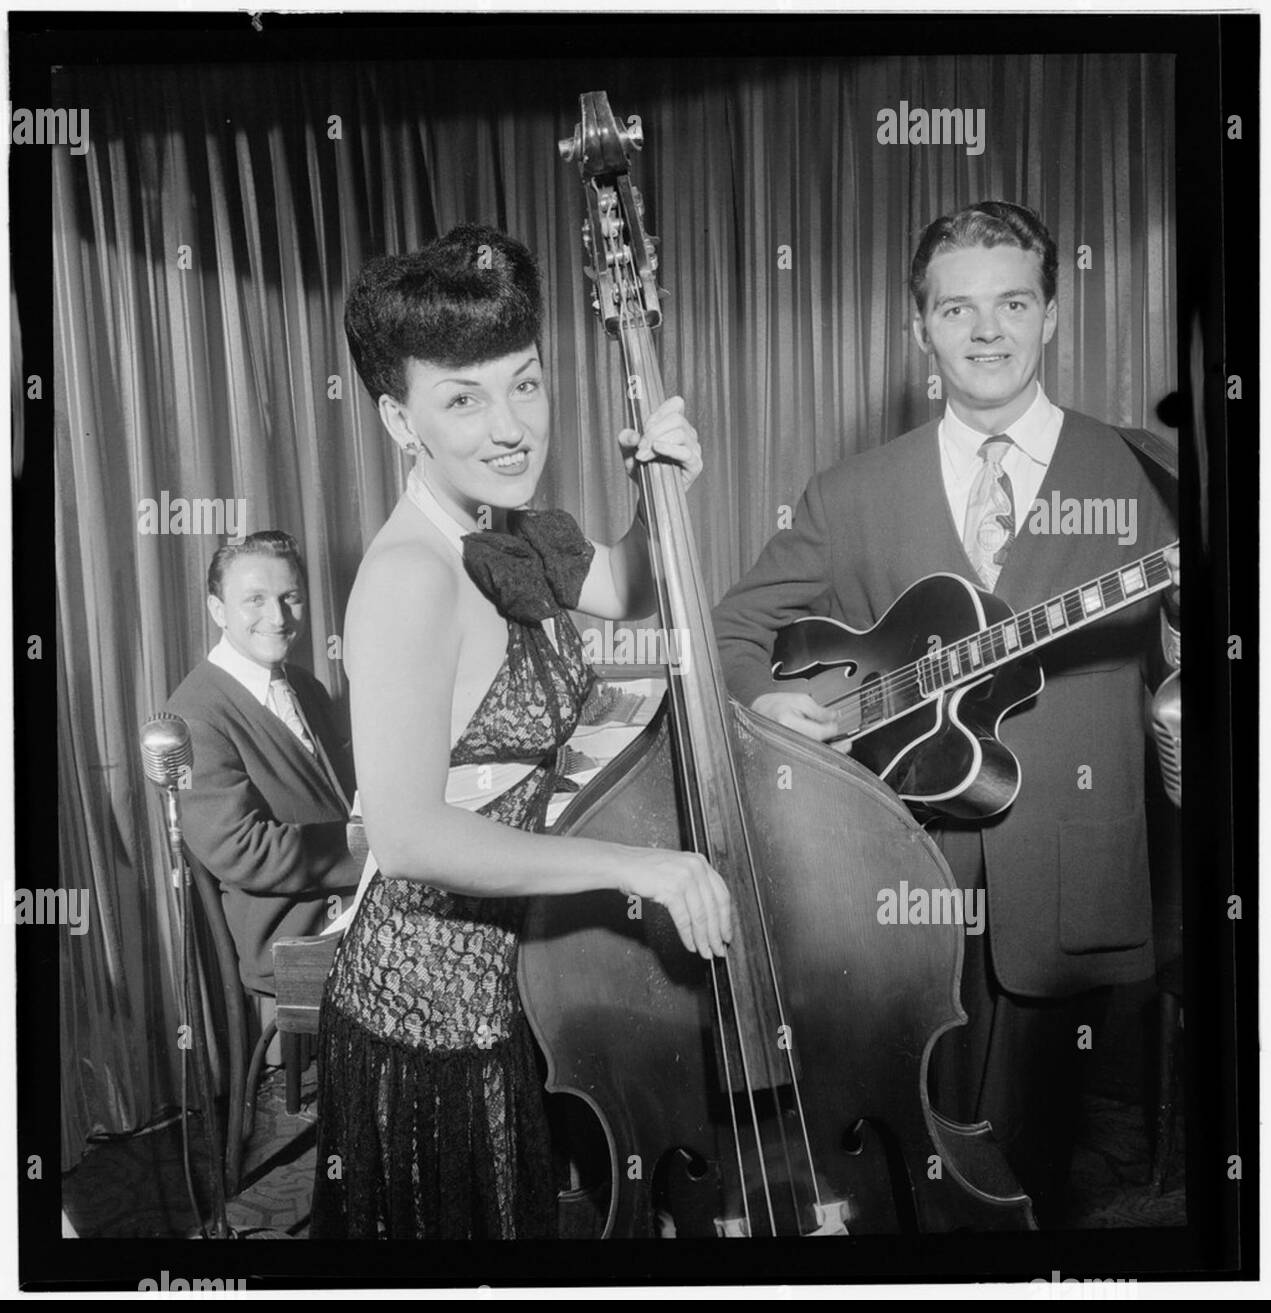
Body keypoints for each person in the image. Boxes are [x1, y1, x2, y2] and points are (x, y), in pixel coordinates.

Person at [712, 201, 1181, 1227]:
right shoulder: (850, 492)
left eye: (1012, 302)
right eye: (954, 308)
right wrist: (763, 702)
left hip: (1067, 881)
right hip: (895, 872)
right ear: (917, 327)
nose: (985, 331)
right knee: (900, 1173)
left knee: (1032, 1184)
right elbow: (732, 631)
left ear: (1051, 313)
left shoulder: (1148, 476)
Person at [310, 225, 731, 1240]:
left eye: (526, 383)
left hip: (517, 990)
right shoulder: (410, 576)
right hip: (428, 1012)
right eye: (462, 398)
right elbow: (408, 837)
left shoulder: (516, 529)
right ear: (397, 420)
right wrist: (643, 865)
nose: (510, 427)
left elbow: (630, 585)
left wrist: (661, 481)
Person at [168, 531, 360, 994]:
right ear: (218, 611)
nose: (277, 617)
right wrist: (376, 850)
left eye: (289, 597)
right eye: (255, 600)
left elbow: (342, 794)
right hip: (296, 940)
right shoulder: (194, 715)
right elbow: (244, 849)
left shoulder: (303, 685)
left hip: (354, 909)